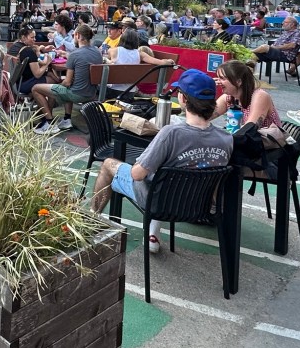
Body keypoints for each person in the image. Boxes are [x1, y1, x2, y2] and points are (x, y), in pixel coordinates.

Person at [90, 69, 233, 254]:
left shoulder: (171, 133)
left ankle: (92, 219)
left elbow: (137, 174)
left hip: (159, 203)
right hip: (199, 207)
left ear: (183, 98)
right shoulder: (226, 138)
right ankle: (152, 235)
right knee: (164, 174)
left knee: (110, 164)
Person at [31, 23, 103, 134]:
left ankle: (49, 123)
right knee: (62, 86)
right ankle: (67, 119)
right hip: (91, 93)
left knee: (36, 88)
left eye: (74, 35)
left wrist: (59, 83)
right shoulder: (98, 53)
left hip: (77, 94)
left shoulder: (75, 54)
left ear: (78, 36)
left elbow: (67, 82)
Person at [213, 59, 281, 128]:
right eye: (218, 78)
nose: (218, 82)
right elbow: (205, 116)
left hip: (265, 138)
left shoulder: (260, 96)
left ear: (238, 82)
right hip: (242, 137)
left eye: (222, 78)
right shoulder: (228, 98)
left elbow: (249, 129)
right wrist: (206, 89)